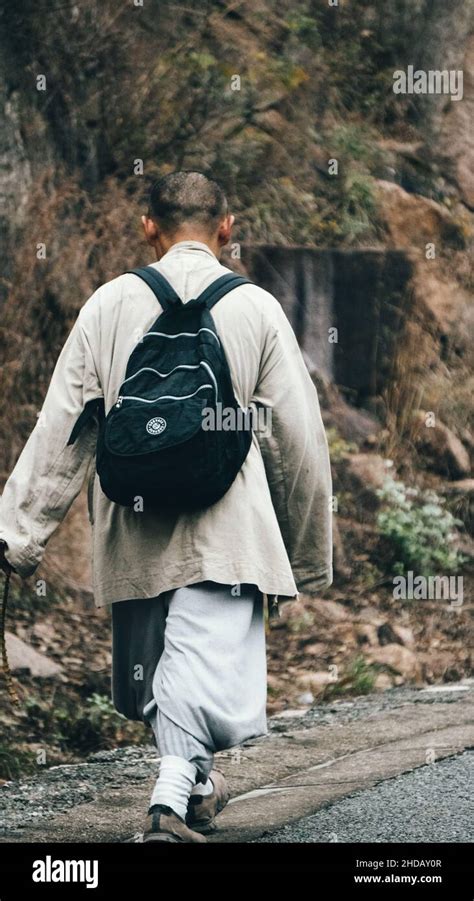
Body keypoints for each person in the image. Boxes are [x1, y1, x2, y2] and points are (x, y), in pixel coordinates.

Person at [0, 170, 333, 843]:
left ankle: (193, 782)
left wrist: (17, 534)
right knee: (198, 660)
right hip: (226, 526)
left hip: (133, 522)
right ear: (227, 228)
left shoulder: (107, 304)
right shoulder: (257, 307)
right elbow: (299, 443)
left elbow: (65, 425)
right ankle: (168, 806)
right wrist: (303, 558)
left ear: (148, 226)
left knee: (164, 669)